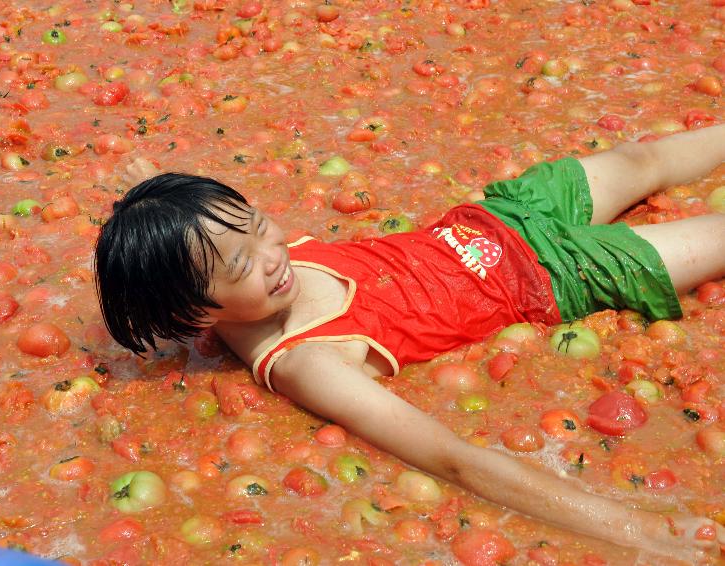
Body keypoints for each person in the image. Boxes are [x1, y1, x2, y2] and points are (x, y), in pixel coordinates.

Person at [94, 124, 725, 561]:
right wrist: (635, 528)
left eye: (261, 227)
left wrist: (147, 196)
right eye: (240, 266)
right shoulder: (308, 359)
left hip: (500, 214)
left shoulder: (232, 268)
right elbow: (453, 459)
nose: (272, 256)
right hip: (558, 275)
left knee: (644, 160)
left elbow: (206, 238)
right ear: (192, 311)